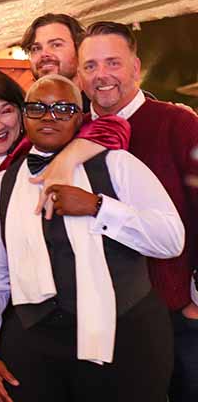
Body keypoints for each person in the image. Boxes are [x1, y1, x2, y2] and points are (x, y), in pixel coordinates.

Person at [0, 74, 184, 402]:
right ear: (25, 116)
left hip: (124, 337)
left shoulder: (118, 165)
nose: (49, 117)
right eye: (37, 108)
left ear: (81, 116)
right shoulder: (2, 187)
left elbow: (171, 239)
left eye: (63, 109)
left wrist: (98, 207)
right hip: (35, 342)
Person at [0, 69, 131, 402]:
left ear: (24, 113)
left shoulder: (38, 152)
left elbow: (115, 127)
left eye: (6, 111)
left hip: (28, 317)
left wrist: (68, 158)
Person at [78, 21, 198, 402]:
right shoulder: (74, 136)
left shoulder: (178, 123)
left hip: (173, 311)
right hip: (103, 320)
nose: (102, 75)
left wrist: (196, 301)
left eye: (113, 62)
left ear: (135, 66)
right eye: (91, 66)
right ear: (79, 75)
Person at [19, 13, 90, 110]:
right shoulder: (31, 115)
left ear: (79, 49)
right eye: (36, 48)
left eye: (56, 45)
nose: (44, 54)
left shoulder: (100, 109)